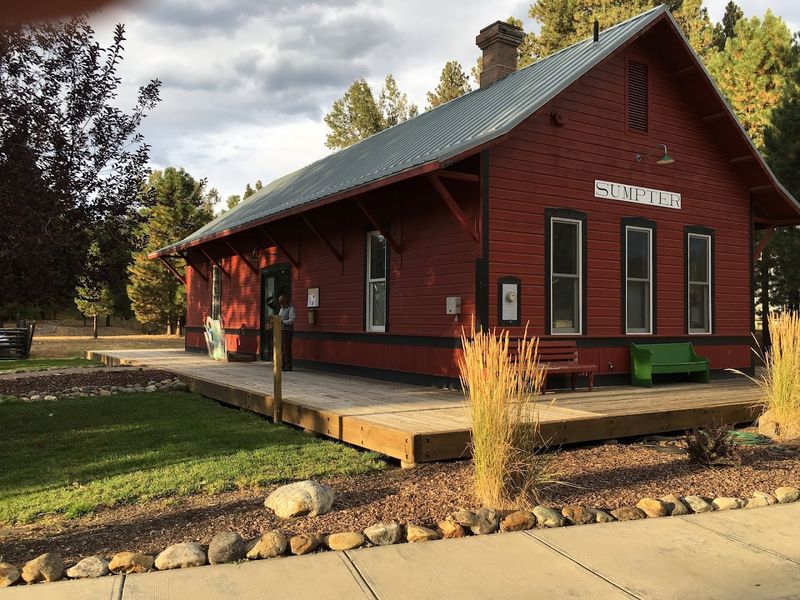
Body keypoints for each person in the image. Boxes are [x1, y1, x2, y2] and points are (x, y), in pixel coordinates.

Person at [277, 294, 295, 371]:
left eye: (282, 301)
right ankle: (282, 365)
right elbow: (279, 317)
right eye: (280, 302)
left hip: (287, 331)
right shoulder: (281, 309)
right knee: (281, 349)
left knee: (286, 348)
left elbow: (292, 320)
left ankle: (288, 366)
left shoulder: (291, 308)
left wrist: (283, 322)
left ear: (286, 300)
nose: (281, 303)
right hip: (281, 330)